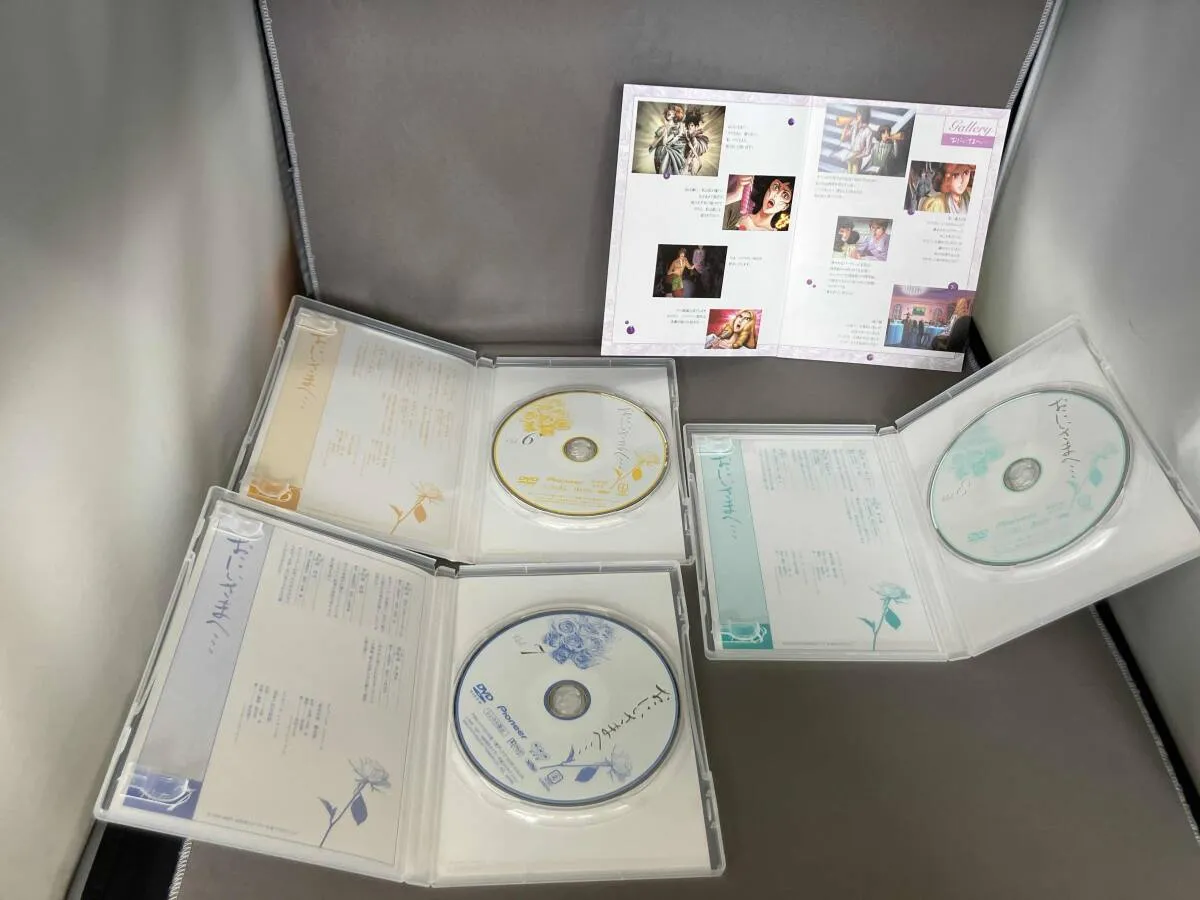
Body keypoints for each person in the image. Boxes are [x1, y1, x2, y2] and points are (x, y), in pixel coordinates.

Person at [723, 176, 794, 231]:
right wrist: (736, 195)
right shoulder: (738, 212)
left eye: (785, 196)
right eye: (776, 187)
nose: (776, 195)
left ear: (785, 207)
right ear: (767, 189)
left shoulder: (774, 235)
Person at [647, 104, 686, 176]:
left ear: (675, 115)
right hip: (658, 153)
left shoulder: (675, 129)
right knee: (659, 173)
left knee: (663, 173)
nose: (670, 112)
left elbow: (665, 142)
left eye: (673, 111)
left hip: (667, 153)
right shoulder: (662, 128)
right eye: (669, 110)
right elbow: (652, 145)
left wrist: (664, 133)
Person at [836, 106, 875, 175]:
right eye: (857, 114)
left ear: (864, 116)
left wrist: (856, 157)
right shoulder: (854, 127)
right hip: (850, 155)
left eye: (859, 115)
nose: (857, 117)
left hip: (857, 158)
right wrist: (846, 125)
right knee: (849, 175)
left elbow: (867, 151)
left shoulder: (868, 131)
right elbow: (843, 139)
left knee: (854, 176)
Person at [682, 106, 712, 175]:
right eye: (689, 125)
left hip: (692, 153)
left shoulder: (695, 137)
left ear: (696, 127)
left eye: (692, 125)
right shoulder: (686, 133)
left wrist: (693, 157)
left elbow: (693, 146)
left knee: (691, 169)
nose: (690, 127)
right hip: (687, 153)